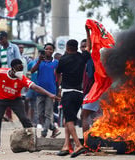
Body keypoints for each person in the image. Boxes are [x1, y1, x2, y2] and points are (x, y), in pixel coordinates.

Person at [0, 59, 60, 152]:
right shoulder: (2, 72)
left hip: (15, 100)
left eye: (21, 69)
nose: (20, 72)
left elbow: (35, 87)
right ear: (12, 69)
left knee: (24, 119)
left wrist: (49, 94)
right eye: (18, 69)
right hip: (0, 99)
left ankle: (33, 141)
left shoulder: (22, 78)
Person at [56, 27, 91, 157]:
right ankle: (66, 145)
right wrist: (88, 32)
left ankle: (78, 145)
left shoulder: (63, 60)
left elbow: (58, 73)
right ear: (77, 47)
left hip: (68, 93)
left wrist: (58, 89)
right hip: (79, 93)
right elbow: (89, 47)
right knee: (67, 119)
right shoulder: (82, 58)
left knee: (69, 121)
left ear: (67, 47)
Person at [31, 43, 60, 138]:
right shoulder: (39, 62)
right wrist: (39, 61)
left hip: (51, 91)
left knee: (48, 113)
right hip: (40, 91)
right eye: (46, 49)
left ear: (53, 51)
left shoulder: (56, 62)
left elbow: (59, 76)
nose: (48, 51)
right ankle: (54, 129)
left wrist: (58, 88)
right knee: (40, 114)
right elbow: (32, 70)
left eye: (50, 49)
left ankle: (44, 133)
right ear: (44, 50)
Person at [0, 31, 21, 122]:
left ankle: (9, 114)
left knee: (10, 93)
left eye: (1, 38)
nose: (0, 41)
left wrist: (16, 74)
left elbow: (18, 60)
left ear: (6, 38)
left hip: (11, 74)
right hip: (2, 74)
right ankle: (7, 114)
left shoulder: (14, 48)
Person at [80, 39, 101, 134]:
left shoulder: (91, 59)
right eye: (82, 47)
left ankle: (88, 140)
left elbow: (91, 76)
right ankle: (94, 138)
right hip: (88, 91)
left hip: (92, 91)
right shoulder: (82, 60)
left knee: (85, 116)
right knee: (92, 116)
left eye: (85, 46)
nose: (83, 49)